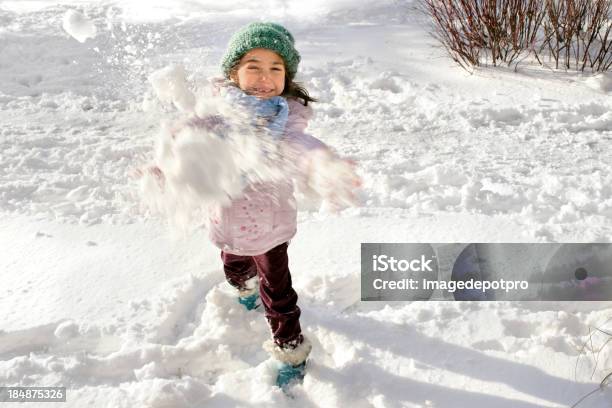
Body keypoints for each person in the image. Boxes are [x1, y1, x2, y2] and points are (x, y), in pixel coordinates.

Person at [141, 22, 360, 387]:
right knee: (235, 269)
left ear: (287, 77)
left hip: (271, 230)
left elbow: (301, 148)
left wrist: (322, 164)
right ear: (233, 72)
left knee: (279, 296)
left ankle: (290, 348)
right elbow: (184, 144)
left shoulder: (286, 120)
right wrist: (165, 168)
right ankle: (243, 289)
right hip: (226, 225)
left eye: (276, 69)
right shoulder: (215, 114)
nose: (264, 77)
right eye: (253, 66)